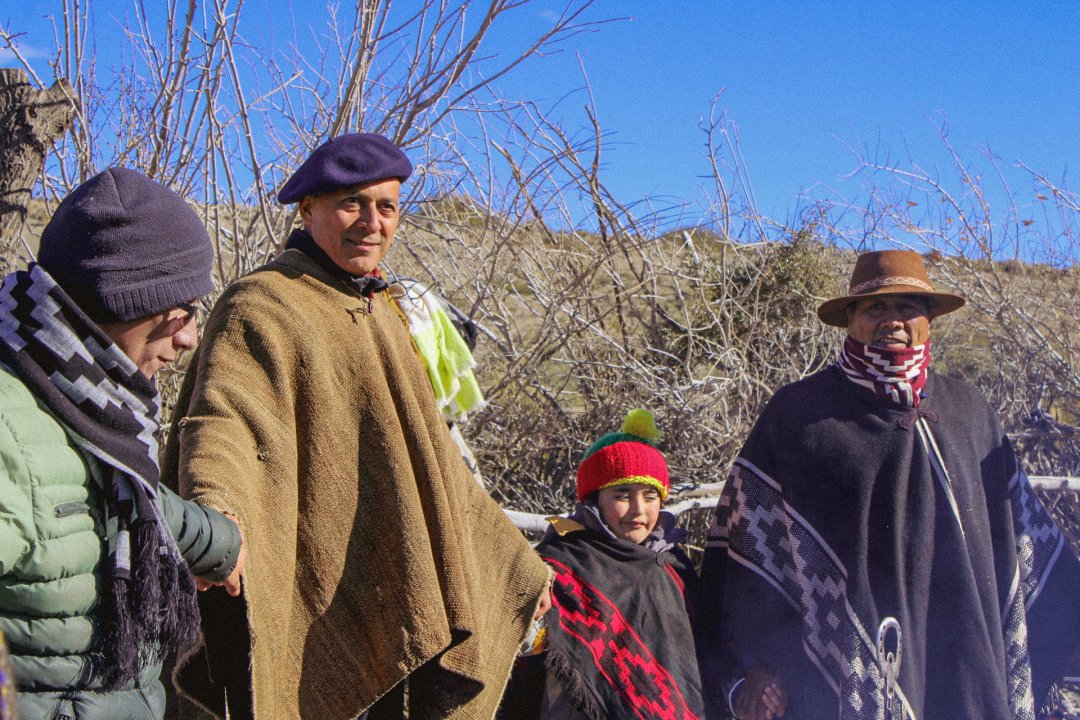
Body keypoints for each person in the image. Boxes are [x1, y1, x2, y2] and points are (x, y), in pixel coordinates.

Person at [163, 132, 551, 719]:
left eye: (387, 207)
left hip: (388, 587)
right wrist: (217, 512)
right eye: (352, 203)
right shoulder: (264, 305)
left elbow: (437, 465)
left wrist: (516, 563)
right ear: (308, 207)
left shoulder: (384, 313)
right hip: (308, 583)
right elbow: (225, 421)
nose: (372, 222)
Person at [696, 249, 1080, 720]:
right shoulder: (800, 418)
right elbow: (745, 555)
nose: (892, 321)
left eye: (907, 307)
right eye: (876, 307)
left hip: (968, 666)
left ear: (929, 320)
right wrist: (750, 667)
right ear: (850, 319)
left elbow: (1021, 541)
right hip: (839, 683)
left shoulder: (970, 414)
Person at [0, 168, 245, 719]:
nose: (189, 337)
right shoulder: (10, 423)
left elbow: (90, 486)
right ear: (117, 304)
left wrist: (217, 544)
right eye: (178, 313)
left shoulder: (79, 390)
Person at [501, 409, 705, 719]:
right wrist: (530, 601)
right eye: (622, 495)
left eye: (650, 496)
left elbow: (703, 655)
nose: (638, 509)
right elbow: (524, 644)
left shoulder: (673, 567)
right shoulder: (563, 563)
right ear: (595, 500)